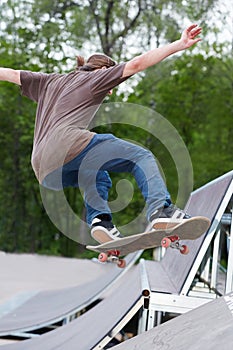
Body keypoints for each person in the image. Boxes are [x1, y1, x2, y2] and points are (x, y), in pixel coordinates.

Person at [0, 24, 202, 244]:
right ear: (103, 70)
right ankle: (161, 211)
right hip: (69, 144)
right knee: (140, 157)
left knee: (95, 173)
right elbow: (136, 64)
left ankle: (101, 221)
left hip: (43, 168)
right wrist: (179, 44)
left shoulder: (50, 81)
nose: (110, 92)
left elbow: (11, 74)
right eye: (111, 87)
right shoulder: (96, 78)